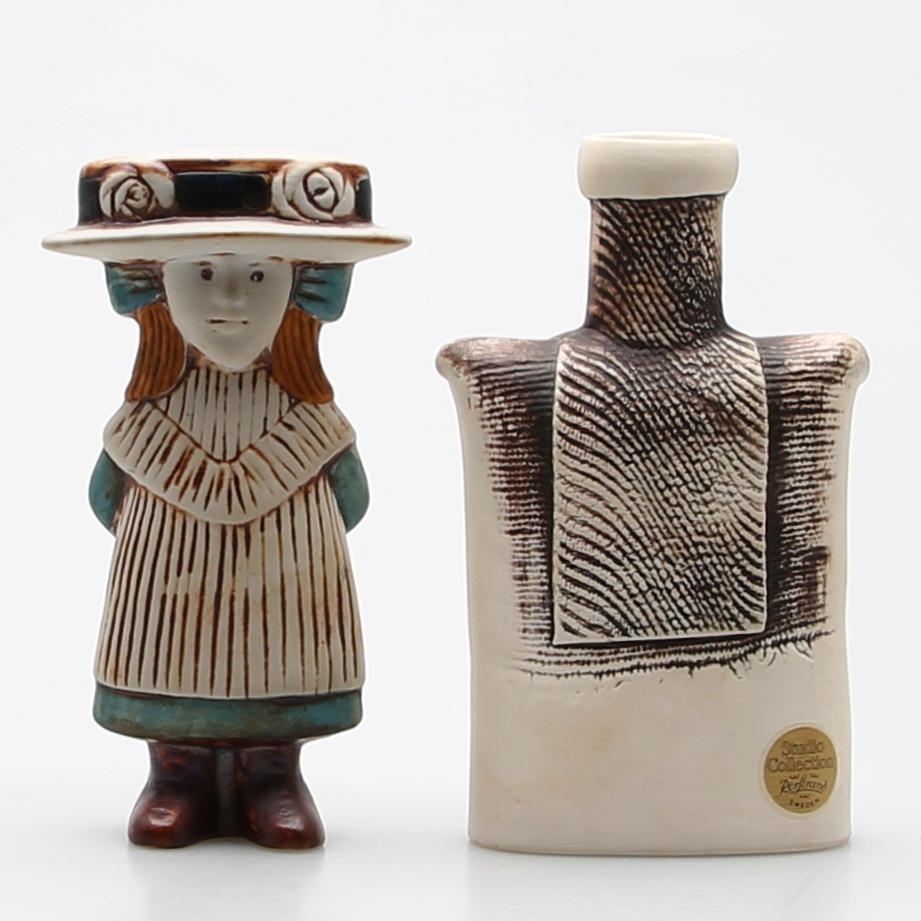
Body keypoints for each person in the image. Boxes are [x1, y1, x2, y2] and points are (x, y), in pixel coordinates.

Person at [43, 154, 410, 848]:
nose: (232, 300)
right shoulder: (146, 416)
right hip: (166, 600)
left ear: (302, 289)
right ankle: (174, 776)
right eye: (204, 274)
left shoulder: (311, 417)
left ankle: (273, 778)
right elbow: (106, 497)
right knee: (168, 672)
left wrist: (294, 551)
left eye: (259, 276)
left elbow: (350, 500)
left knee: (280, 683)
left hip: (285, 598)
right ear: (154, 287)